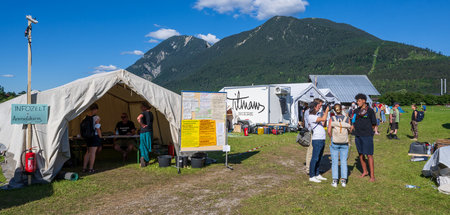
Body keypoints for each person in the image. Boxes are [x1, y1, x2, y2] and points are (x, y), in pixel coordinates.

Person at [351, 94, 377, 182]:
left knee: (369, 155)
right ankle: (365, 171)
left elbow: (374, 123)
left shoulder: (370, 111)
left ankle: (372, 176)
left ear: (364, 101)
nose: (357, 102)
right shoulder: (356, 111)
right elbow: (353, 121)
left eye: (359, 101)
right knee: (361, 154)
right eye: (357, 101)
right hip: (358, 135)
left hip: (367, 135)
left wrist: (368, 131)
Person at [328, 104, 351, 187]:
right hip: (344, 142)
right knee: (344, 161)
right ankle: (343, 180)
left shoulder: (332, 118)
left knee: (334, 161)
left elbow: (329, 131)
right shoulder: (347, 119)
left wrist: (332, 138)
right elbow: (349, 130)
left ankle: (335, 180)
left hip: (335, 141)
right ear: (341, 109)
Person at [308, 101, 330, 183]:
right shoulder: (311, 116)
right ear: (314, 107)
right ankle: (312, 175)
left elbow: (323, 123)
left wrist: (325, 113)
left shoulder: (316, 116)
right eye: (318, 106)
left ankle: (317, 174)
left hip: (321, 139)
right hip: (317, 139)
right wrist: (327, 111)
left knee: (319, 158)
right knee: (315, 158)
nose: (319, 107)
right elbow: (323, 119)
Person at [304, 98, 324, 173]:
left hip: (317, 132)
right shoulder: (309, 112)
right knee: (310, 150)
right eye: (320, 105)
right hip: (311, 131)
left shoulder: (318, 112)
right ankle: (308, 168)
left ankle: (315, 167)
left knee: (316, 151)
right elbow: (309, 122)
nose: (320, 107)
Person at [82, 103, 102, 173]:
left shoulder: (85, 117)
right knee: (93, 153)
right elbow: (97, 127)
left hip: (88, 137)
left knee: (88, 152)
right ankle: (90, 168)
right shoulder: (96, 117)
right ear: (96, 109)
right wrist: (100, 136)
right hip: (94, 136)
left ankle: (84, 168)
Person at [137, 102, 154, 167]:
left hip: (143, 132)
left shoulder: (143, 113)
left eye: (141, 107)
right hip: (149, 131)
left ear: (145, 107)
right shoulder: (151, 113)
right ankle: (145, 160)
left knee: (143, 146)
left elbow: (138, 118)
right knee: (147, 146)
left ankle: (144, 158)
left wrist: (141, 124)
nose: (141, 108)